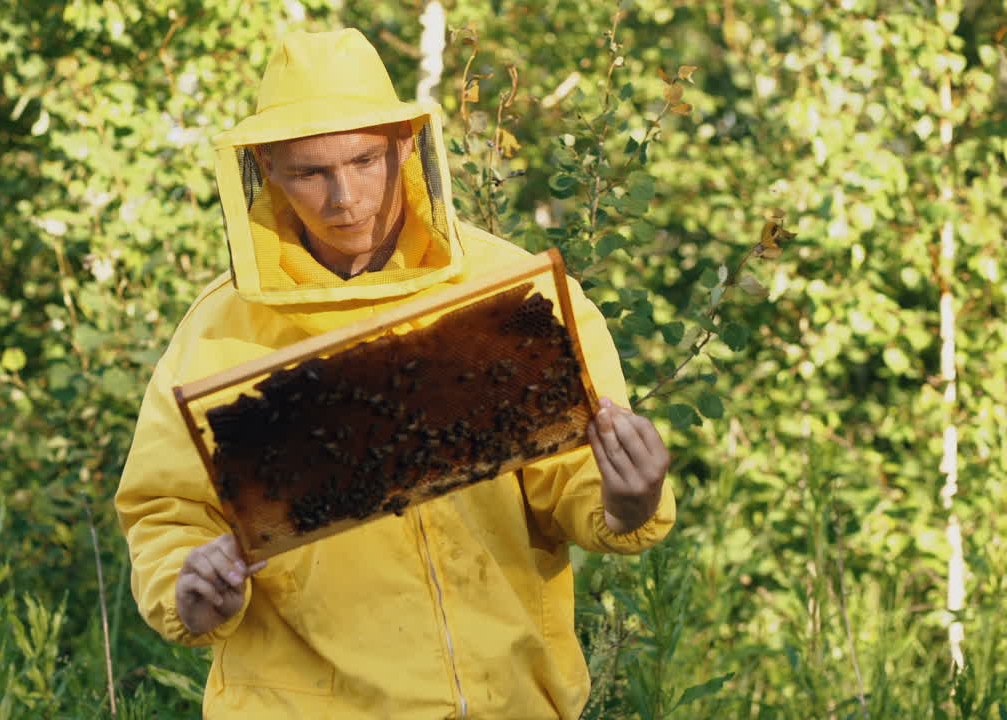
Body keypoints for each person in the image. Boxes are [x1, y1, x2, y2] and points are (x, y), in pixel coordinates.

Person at [116, 28, 675, 719]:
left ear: (405, 144)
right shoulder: (218, 334)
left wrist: (628, 497)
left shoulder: (507, 294)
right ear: (265, 167)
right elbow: (165, 512)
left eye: (363, 160)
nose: (344, 196)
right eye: (310, 173)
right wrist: (189, 584)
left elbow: (572, 467)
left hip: (511, 702)